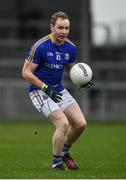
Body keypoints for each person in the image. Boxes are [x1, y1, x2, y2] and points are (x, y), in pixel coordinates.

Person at [22, 11, 92, 170]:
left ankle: (65, 152)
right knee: (62, 124)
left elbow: (69, 69)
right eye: (60, 28)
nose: (64, 32)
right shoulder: (40, 46)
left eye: (67, 28)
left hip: (58, 88)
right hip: (39, 91)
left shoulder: (71, 48)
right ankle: (56, 163)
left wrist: (82, 79)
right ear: (51, 27)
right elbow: (26, 73)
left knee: (80, 124)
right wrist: (46, 87)